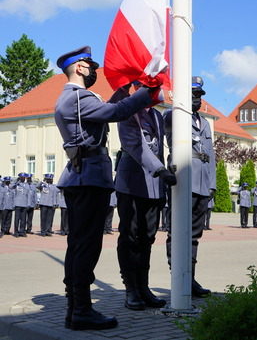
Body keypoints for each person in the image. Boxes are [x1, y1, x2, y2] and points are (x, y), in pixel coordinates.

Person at [55, 45, 157, 331]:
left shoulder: (74, 98)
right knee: (86, 246)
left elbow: (110, 106)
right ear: (78, 68)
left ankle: (75, 309)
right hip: (89, 178)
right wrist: (147, 91)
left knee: (77, 245)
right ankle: (82, 311)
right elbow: (118, 112)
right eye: (90, 66)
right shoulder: (77, 98)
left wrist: (127, 88)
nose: (94, 71)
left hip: (82, 177)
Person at [115, 81, 176, 310]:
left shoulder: (158, 117)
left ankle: (143, 287)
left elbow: (161, 146)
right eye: (148, 86)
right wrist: (160, 169)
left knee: (147, 237)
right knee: (130, 236)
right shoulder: (127, 110)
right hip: (131, 183)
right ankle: (130, 289)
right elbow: (135, 144)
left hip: (153, 185)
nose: (153, 92)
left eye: (155, 87)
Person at [163, 76, 216, 297]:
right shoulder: (173, 116)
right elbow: (169, 123)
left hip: (202, 184)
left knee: (194, 236)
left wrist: (212, 185)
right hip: (184, 181)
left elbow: (210, 155)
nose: (197, 99)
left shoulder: (204, 122)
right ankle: (179, 278)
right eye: (193, 95)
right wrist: (178, 104)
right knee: (177, 233)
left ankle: (190, 278)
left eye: (199, 96)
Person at [12, 172, 30, 238]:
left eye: (23, 178)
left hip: (24, 204)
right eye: (21, 178)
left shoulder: (27, 185)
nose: (22, 179)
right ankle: (16, 232)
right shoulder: (17, 184)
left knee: (23, 219)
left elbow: (28, 196)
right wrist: (15, 181)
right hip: (18, 204)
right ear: (19, 178)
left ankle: (22, 232)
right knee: (17, 219)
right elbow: (11, 186)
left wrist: (28, 204)